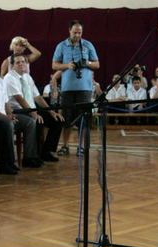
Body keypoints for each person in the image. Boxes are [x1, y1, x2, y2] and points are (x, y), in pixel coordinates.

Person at [4, 53, 63, 164]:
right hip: (18, 110)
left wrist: (51, 112)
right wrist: (33, 113)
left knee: (57, 120)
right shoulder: (9, 78)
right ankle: (31, 156)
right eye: (18, 62)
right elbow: (19, 99)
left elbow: (37, 97)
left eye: (23, 62)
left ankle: (46, 152)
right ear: (12, 65)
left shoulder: (27, 77)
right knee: (37, 120)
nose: (21, 64)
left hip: (30, 108)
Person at [52, 20, 99, 156]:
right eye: (75, 32)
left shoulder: (88, 45)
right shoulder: (61, 46)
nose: (77, 35)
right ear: (69, 31)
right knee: (66, 119)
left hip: (84, 88)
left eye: (79, 32)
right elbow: (54, 65)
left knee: (83, 119)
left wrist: (87, 63)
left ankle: (81, 147)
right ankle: (65, 146)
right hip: (67, 88)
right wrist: (67, 66)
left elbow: (97, 64)